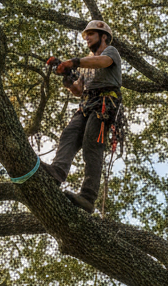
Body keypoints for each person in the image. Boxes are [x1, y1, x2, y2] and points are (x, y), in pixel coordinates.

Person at [48, 20, 122, 213]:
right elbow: (79, 90)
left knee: (92, 144)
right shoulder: (86, 63)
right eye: (86, 35)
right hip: (86, 104)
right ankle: (57, 172)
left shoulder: (110, 52)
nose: (87, 38)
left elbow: (102, 62)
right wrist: (68, 81)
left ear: (103, 36)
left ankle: (88, 197)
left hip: (105, 103)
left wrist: (73, 62)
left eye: (91, 34)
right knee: (69, 135)